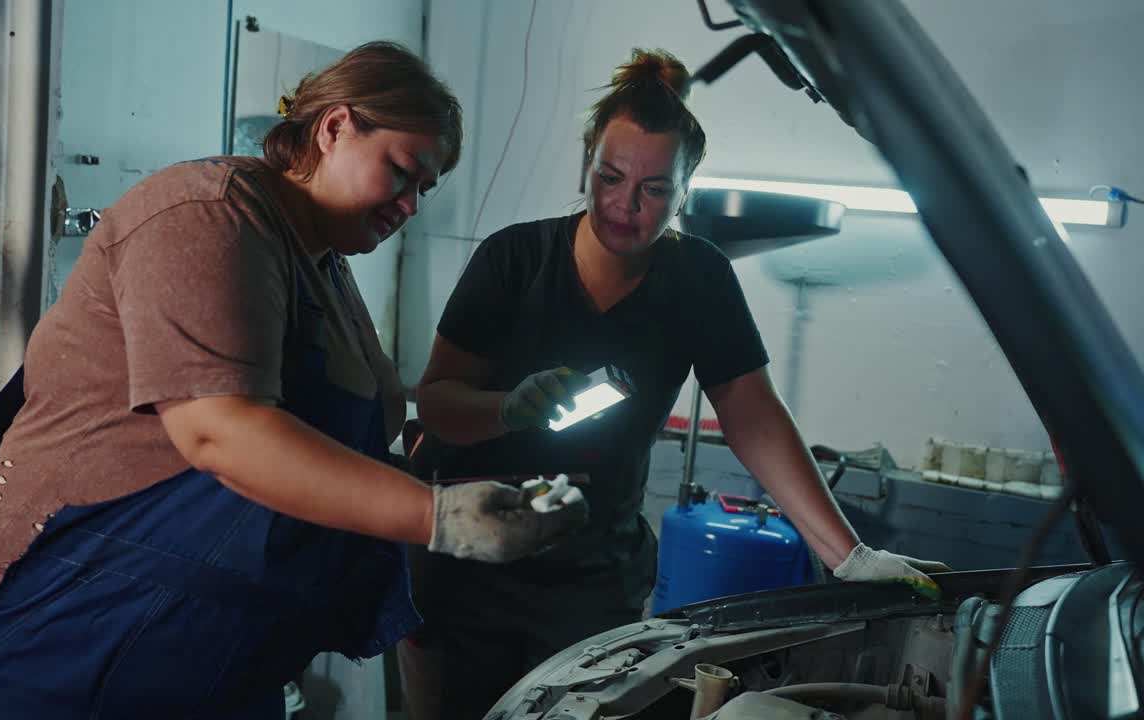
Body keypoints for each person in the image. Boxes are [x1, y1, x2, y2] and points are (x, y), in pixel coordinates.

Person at [0, 41, 585, 720]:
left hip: (211, 635)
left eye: (425, 189)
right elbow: (221, 432)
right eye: (403, 172)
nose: (411, 206)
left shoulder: (323, 265)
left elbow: (360, 431)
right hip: (82, 619)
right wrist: (438, 517)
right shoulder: (206, 213)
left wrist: (496, 445)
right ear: (335, 127)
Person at [398, 49, 949, 719]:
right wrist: (508, 410)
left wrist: (850, 556)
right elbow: (439, 404)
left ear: (687, 189)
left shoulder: (700, 281)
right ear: (586, 166)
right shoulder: (514, 260)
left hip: (591, 579)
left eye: (654, 189)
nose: (625, 205)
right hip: (467, 568)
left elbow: (754, 420)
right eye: (609, 177)